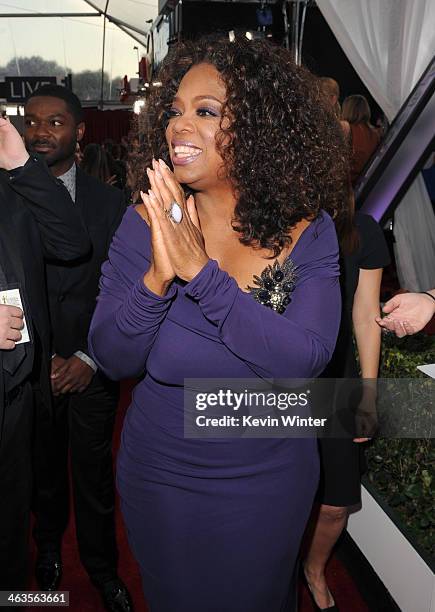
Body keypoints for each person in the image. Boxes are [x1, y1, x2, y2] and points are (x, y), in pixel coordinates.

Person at [89, 35, 349, 612]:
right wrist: (159, 276)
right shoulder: (144, 222)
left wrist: (200, 275)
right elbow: (111, 356)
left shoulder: (307, 229)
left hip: (268, 475)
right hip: (162, 472)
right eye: (174, 111)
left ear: (259, 129)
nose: (180, 126)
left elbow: (304, 361)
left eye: (205, 112)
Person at [23, 85, 131, 612]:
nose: (40, 132)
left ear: (80, 131)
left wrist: (90, 358)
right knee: (40, 471)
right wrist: (31, 360)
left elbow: (123, 289)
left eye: (55, 123)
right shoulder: (9, 197)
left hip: (93, 366)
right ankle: (46, 550)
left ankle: (104, 571)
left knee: (93, 479)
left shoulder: (110, 203)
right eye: (32, 122)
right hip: (29, 369)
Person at [0, 116, 90, 591]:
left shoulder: (14, 181)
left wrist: (19, 163)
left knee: (11, 539)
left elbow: (72, 244)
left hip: (17, 396)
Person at [302, 196, 390, 610]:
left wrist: (368, 394)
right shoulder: (271, 220)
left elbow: (366, 315)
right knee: (279, 497)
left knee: (337, 504)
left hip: (337, 385)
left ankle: (314, 569)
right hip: (278, 385)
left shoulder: (360, 230)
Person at [341, 94, 381, 186]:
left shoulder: (345, 129)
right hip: (367, 183)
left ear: (347, 110)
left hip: (349, 184)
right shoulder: (375, 134)